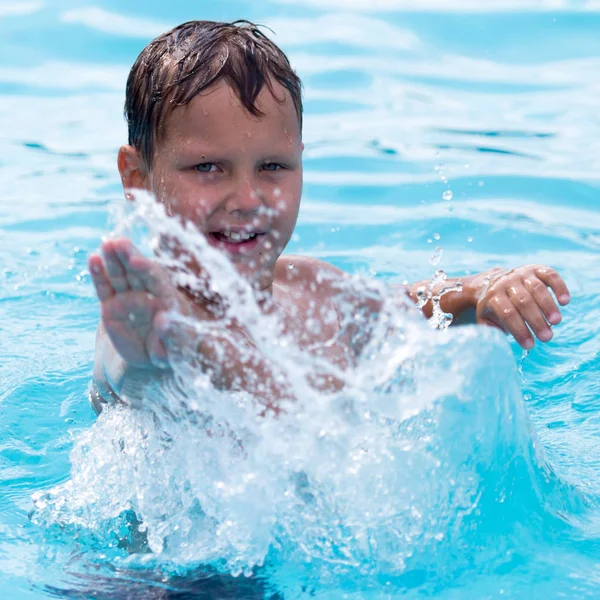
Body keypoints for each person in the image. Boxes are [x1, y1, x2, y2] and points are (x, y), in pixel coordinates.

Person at [88, 20, 570, 414]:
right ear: (137, 178)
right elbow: (133, 369)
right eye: (208, 168)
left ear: (301, 160)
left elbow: (410, 309)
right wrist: (158, 351)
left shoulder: (310, 286)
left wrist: (480, 290)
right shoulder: (145, 319)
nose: (247, 197)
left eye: (272, 166)